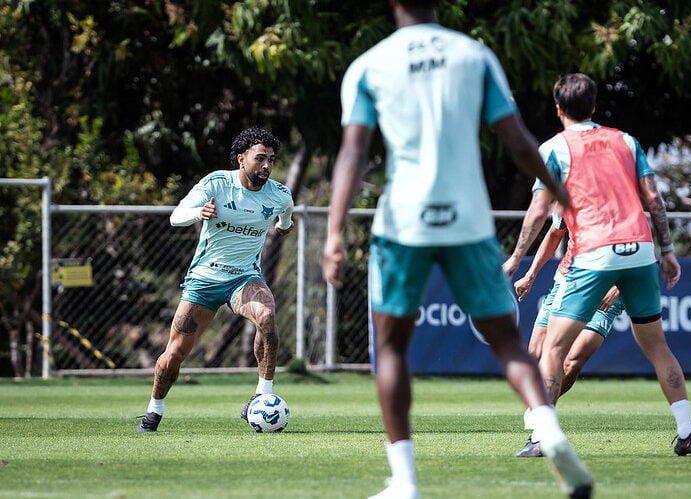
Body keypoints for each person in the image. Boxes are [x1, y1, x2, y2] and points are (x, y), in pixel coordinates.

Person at [322, 2, 593, 498]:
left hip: (404, 223)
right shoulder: (475, 55)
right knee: (509, 344)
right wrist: (559, 188)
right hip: (469, 220)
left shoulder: (369, 64)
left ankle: (403, 482)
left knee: (391, 350)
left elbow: (353, 153)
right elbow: (516, 140)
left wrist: (335, 232)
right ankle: (548, 431)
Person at [527, 73, 691, 457]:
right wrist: (668, 250)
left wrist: (515, 256)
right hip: (641, 250)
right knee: (657, 346)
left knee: (553, 349)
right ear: (593, 106)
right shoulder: (626, 141)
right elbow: (653, 200)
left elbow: (540, 211)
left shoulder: (554, 147)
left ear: (559, 110)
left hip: (594, 252)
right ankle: (688, 431)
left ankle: (543, 436)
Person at [136, 127, 294, 433]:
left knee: (267, 314)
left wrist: (284, 227)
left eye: (271, 160)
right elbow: (176, 216)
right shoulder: (217, 183)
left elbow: (285, 220)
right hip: (204, 280)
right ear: (241, 159)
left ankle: (262, 397)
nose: (266, 165)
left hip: (244, 278)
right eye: (260, 158)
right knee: (175, 354)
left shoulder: (280, 194)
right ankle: (153, 411)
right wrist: (199, 212)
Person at [506, 212, 624, 457]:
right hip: (568, 281)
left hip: (609, 284)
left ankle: (542, 431)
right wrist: (530, 274)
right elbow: (555, 232)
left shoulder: (621, 193)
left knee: (571, 361)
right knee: (536, 355)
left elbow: (640, 243)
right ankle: (542, 410)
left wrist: (620, 284)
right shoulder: (568, 189)